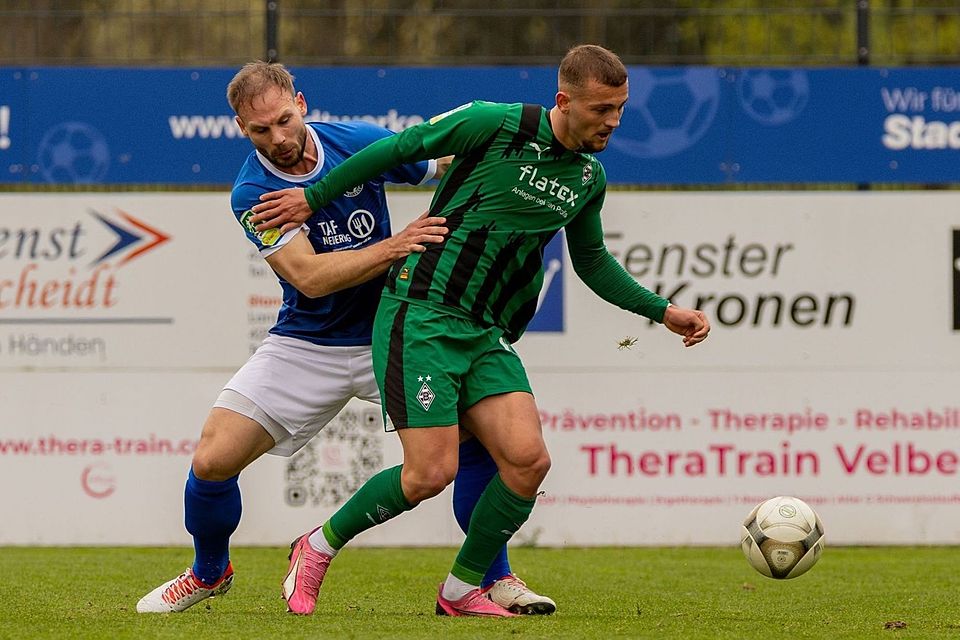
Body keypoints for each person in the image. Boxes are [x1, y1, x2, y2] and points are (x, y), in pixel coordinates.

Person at [250, 44, 710, 618]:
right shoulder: (496, 123)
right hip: (420, 312)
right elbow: (400, 148)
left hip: (485, 330)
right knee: (429, 474)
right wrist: (313, 197)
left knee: (527, 460)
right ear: (563, 101)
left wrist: (662, 311)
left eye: (619, 108)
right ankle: (315, 547)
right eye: (600, 110)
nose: (612, 122)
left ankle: (461, 590)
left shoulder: (588, 176)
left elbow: (591, 263)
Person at [136, 61, 556, 616]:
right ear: (241, 128)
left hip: (397, 328)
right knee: (213, 461)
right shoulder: (253, 190)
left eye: (285, 120)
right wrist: (395, 245)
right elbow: (309, 278)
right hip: (308, 344)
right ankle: (208, 572)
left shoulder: (355, 139)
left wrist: (520, 164)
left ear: (302, 103)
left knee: (480, 444)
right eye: (261, 130)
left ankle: (493, 578)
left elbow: (440, 163)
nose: (279, 138)